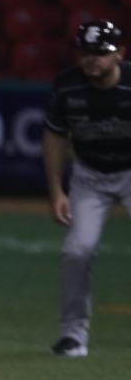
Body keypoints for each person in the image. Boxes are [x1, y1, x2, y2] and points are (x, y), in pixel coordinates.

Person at [42, 18, 130, 357]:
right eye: (86, 52)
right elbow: (54, 136)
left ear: (119, 53)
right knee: (76, 251)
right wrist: (56, 190)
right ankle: (74, 336)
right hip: (89, 175)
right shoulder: (67, 86)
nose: (92, 59)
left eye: (101, 52)